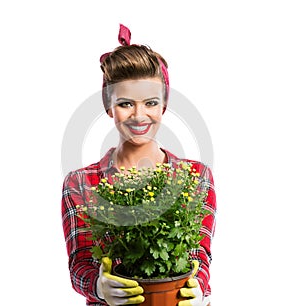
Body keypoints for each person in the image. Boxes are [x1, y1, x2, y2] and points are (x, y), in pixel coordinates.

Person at [61, 24, 216, 306]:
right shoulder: (80, 183)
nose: (139, 115)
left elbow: (199, 255)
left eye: (150, 102)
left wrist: (198, 289)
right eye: (125, 103)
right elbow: (80, 263)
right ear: (109, 106)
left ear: (163, 106)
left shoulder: (195, 176)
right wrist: (99, 286)